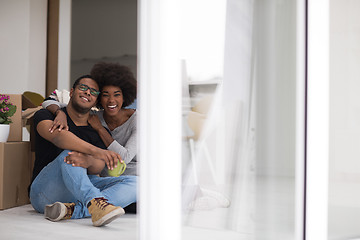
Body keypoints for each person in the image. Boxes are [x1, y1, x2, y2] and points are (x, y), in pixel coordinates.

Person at [29, 75, 137, 227]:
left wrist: (90, 160)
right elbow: (59, 137)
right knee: (71, 154)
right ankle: (95, 204)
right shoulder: (47, 115)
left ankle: (75, 210)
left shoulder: (97, 128)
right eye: (83, 88)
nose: (88, 93)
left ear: (96, 101)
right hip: (44, 192)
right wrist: (97, 152)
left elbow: (99, 167)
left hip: (78, 191)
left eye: (93, 91)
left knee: (137, 184)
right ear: (72, 92)